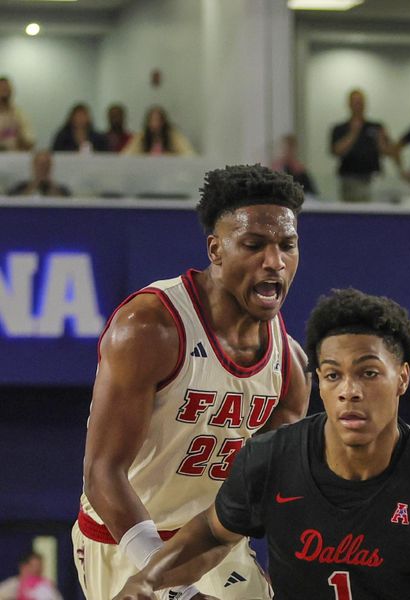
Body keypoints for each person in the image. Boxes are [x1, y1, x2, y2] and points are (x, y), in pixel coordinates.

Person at [112, 288, 410, 600]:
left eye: (369, 373)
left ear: (402, 378)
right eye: (333, 375)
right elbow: (213, 534)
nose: (349, 391)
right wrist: (148, 579)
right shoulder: (272, 459)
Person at [72, 164, 311, 600]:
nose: (274, 261)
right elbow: (101, 473)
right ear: (216, 250)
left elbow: (271, 494)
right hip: (126, 538)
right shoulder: (149, 328)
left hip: (216, 543)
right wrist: (174, 585)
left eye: (287, 246)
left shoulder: (291, 365)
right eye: (254, 245)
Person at [330, 89, 393, 202]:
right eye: (355, 102)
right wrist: (353, 133)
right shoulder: (339, 128)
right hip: (349, 178)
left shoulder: (376, 126)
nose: (358, 105)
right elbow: (336, 151)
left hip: (373, 178)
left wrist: (381, 141)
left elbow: (388, 152)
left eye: (360, 102)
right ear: (349, 104)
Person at [122, 105, 196, 156]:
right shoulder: (141, 137)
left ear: (163, 121)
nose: (155, 124)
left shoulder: (173, 136)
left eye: (157, 120)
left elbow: (189, 154)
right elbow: (127, 155)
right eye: (151, 121)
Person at [0, 76, 34, 152]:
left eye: (7, 88)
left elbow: (30, 142)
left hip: (15, 158)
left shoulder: (19, 114)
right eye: (1, 88)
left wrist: (19, 136)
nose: (4, 91)